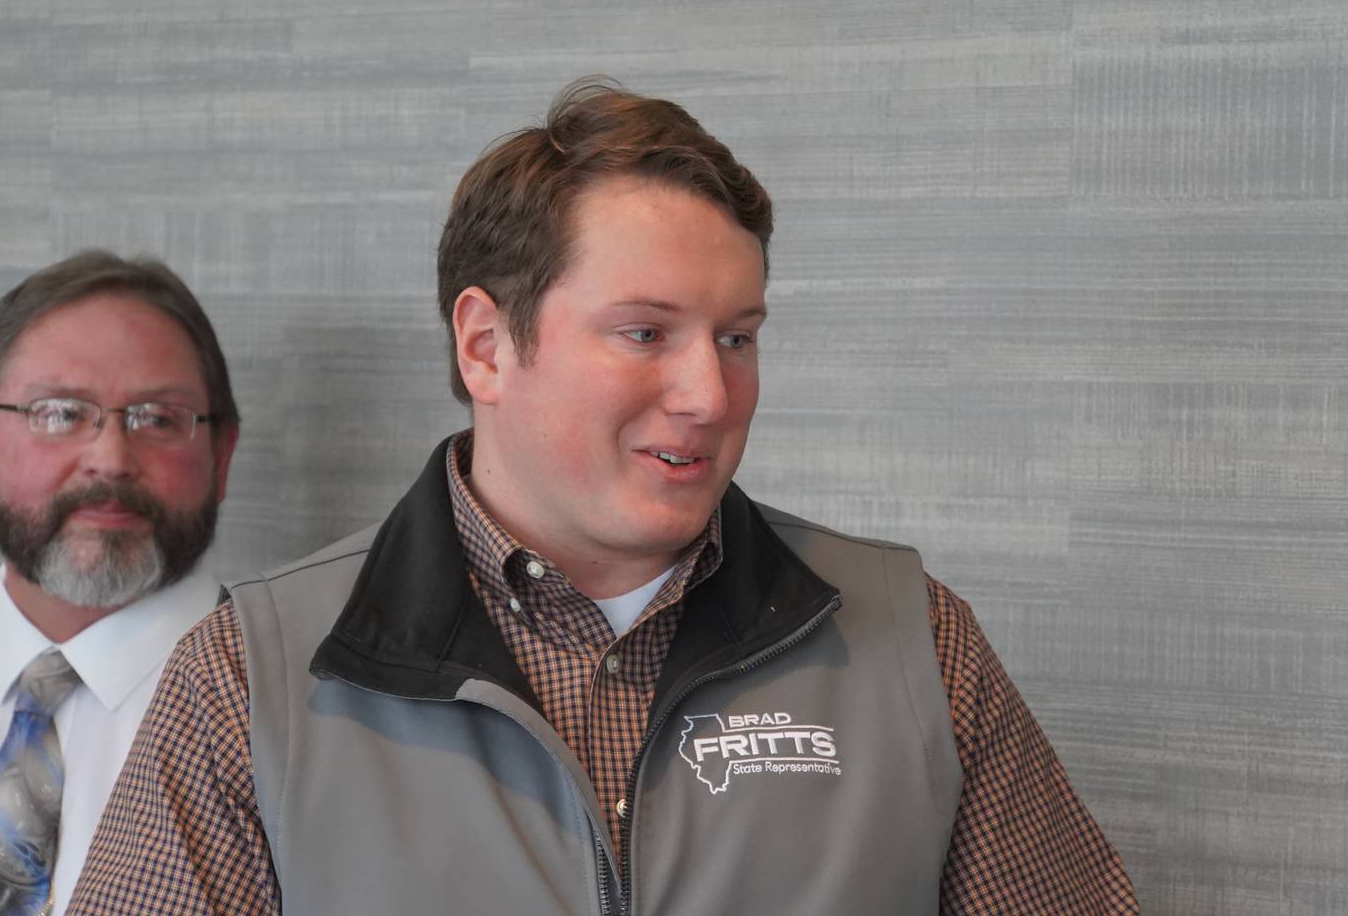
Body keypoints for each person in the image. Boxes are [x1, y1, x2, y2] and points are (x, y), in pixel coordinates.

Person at [71, 82, 1138, 915]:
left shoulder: (916, 643)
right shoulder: (250, 676)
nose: (710, 394)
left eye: (737, 338)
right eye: (646, 333)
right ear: (487, 345)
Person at [0, 250, 240, 915]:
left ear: (221, 454)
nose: (111, 460)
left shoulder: (293, 725)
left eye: (158, 418)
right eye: (59, 413)